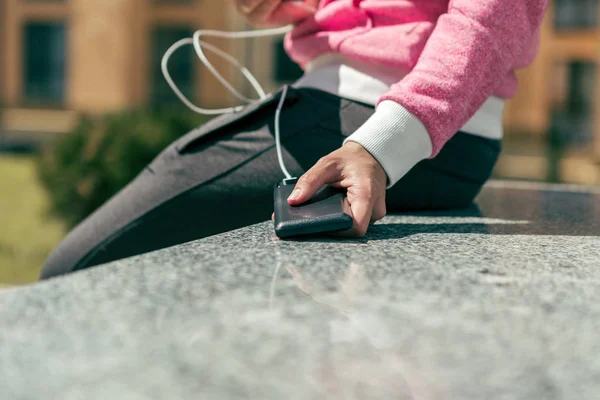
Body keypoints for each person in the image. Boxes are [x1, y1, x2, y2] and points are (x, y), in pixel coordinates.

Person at [40, 0, 548, 279]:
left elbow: (491, 16)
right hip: (453, 146)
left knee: (72, 270)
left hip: (368, 120)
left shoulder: (375, 137)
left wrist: (380, 146)